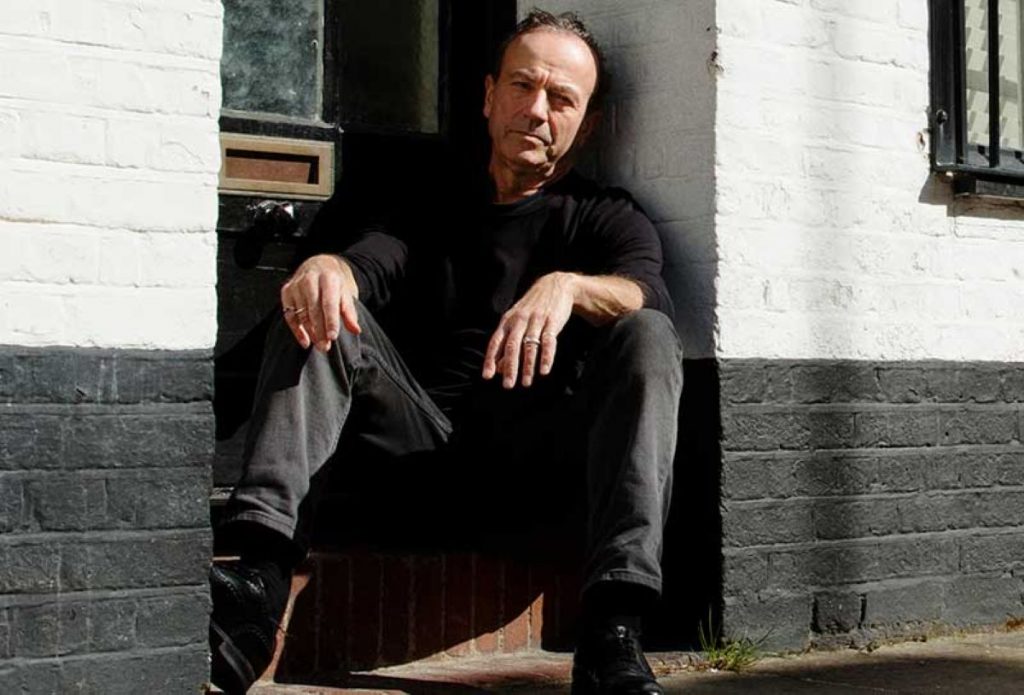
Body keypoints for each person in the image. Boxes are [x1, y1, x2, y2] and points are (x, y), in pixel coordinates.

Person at [209, 10, 683, 695]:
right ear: (489, 96)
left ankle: (614, 627)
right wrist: (328, 267)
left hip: (538, 478)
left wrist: (570, 286)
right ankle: (257, 587)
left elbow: (649, 292)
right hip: (416, 454)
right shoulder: (430, 202)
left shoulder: (606, 216)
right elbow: (367, 265)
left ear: (587, 124)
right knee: (321, 300)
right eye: (522, 85)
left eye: (561, 98)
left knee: (649, 333)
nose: (537, 110)